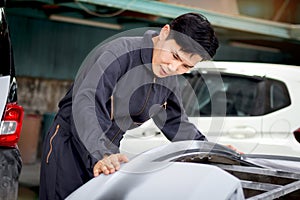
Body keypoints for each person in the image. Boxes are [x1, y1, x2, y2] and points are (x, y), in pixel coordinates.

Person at [39, 12, 219, 199]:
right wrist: (102, 153)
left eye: (185, 66)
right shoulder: (119, 53)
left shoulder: (168, 79)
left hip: (109, 153)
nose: (174, 68)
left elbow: (176, 123)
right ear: (165, 32)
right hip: (71, 147)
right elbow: (87, 103)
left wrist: (210, 152)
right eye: (174, 55)